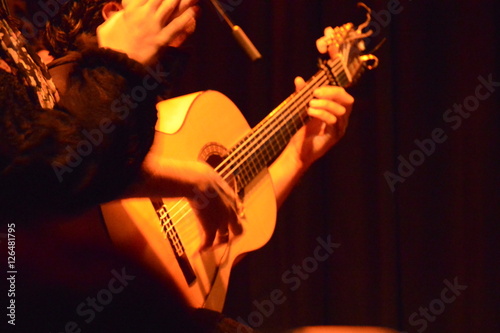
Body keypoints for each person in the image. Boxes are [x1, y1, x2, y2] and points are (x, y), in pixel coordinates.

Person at [0, 1, 395, 332]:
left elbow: (224, 231)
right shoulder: (70, 76)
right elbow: (51, 172)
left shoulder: (145, 103)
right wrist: (182, 179)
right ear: (114, 12)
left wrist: (299, 154)